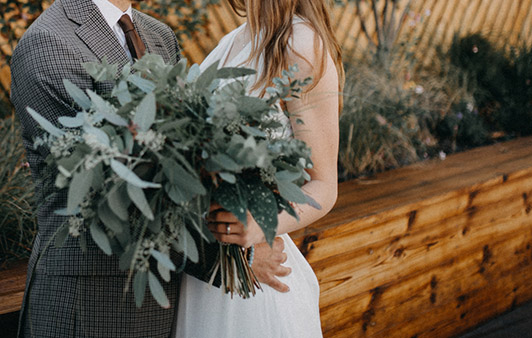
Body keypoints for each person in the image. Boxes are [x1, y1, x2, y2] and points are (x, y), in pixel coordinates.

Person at [10, 0, 292, 337]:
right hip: (90, 302)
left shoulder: (158, 36)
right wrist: (234, 252)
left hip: (168, 297)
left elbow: (188, 160)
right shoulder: (49, 42)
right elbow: (101, 192)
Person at [175, 0, 344, 337]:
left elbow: (324, 185)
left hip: (257, 289)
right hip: (207, 277)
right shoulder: (232, 41)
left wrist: (260, 227)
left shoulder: (301, 45)